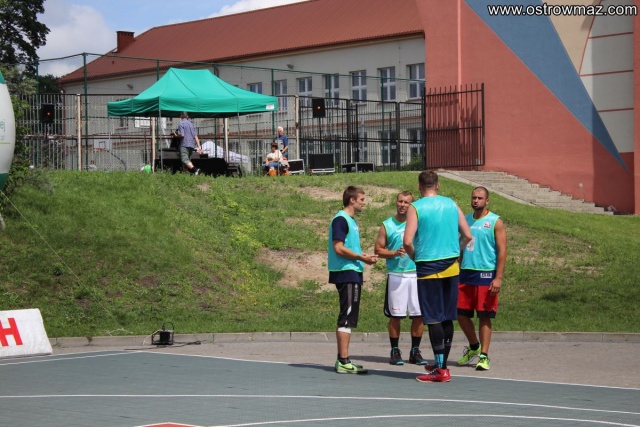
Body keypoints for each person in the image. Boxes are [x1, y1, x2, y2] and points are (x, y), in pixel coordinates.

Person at [403, 171, 472, 383]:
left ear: (419, 186)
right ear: (438, 185)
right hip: (451, 266)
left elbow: (407, 242)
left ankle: (441, 370)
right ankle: (442, 365)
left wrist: (416, 258)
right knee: (447, 316)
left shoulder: (416, 207)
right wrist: (456, 251)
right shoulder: (451, 204)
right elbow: (468, 235)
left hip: (428, 266)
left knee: (433, 317)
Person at [328, 186, 378, 374]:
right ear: (352, 200)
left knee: (348, 316)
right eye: (362, 199)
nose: (364, 203)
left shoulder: (351, 221)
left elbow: (349, 248)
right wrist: (360, 258)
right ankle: (343, 361)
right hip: (346, 272)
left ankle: (344, 359)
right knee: (346, 317)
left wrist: (363, 256)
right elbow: (338, 248)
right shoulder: (341, 219)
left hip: (352, 271)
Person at [456, 186, 507, 371]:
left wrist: (498, 277)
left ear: (487, 201)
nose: (476, 200)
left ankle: (484, 356)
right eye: (474, 197)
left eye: (479, 198)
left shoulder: (495, 222)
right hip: (466, 274)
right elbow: (461, 245)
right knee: (460, 314)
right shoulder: (466, 220)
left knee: (484, 316)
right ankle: (474, 346)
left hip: (486, 275)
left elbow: (502, 251)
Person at [375, 191, 428, 366]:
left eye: (406, 202)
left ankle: (415, 351)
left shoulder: (418, 224)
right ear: (396, 202)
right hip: (396, 275)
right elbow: (378, 250)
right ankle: (395, 350)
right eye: (400, 201)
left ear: (411, 205)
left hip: (416, 274)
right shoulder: (387, 225)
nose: (403, 205)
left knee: (419, 315)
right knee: (395, 316)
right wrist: (393, 253)